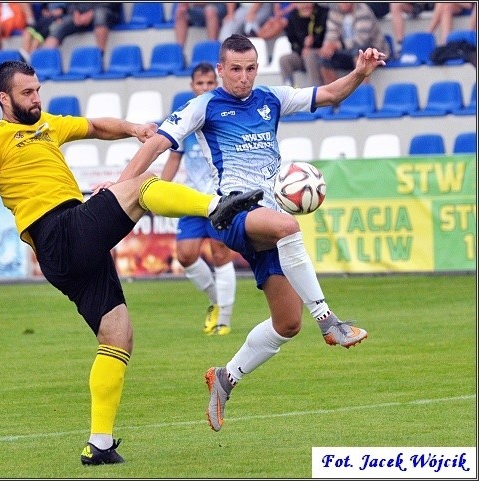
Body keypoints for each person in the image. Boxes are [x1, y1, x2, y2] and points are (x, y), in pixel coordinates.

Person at [0, 60, 262, 464]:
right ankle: (216, 207)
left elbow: (95, 126)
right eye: (27, 93)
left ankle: (99, 444)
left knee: (118, 334)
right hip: (57, 232)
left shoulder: (47, 125)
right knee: (139, 188)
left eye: (37, 90)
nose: (36, 98)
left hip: (72, 249)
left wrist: (134, 129)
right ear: (4, 98)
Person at [111, 34, 384, 432]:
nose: (243, 77)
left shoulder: (271, 98)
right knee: (289, 226)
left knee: (288, 323)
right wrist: (122, 184)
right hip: (234, 212)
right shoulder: (205, 105)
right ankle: (329, 321)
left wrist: (359, 73)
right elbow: (156, 144)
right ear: (221, 70)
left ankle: (226, 377)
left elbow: (326, 94)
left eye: (250, 68)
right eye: (235, 70)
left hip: (266, 220)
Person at [160, 62, 237, 336]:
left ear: (215, 85)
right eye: (199, 84)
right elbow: (173, 158)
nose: (204, 88)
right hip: (192, 198)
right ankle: (216, 303)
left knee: (220, 253)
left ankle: (225, 319)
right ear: (192, 87)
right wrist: (159, 189)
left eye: (209, 83)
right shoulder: (185, 117)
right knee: (186, 255)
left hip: (220, 197)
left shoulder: (224, 116)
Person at [317, 3, 389, 85]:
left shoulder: (363, 10)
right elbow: (331, 34)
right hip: (347, 50)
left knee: (360, 53)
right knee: (324, 58)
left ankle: (363, 91)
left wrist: (338, 45)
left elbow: (362, 39)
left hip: (374, 49)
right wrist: (328, 46)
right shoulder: (334, 11)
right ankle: (334, 93)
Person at [279, 2, 329, 87]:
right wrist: (301, 50)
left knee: (310, 55)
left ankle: (315, 90)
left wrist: (314, 42)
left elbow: (326, 36)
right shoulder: (292, 16)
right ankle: (288, 90)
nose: (305, 4)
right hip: (302, 53)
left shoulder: (323, 13)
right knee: (284, 60)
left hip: (320, 52)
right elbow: (293, 41)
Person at [42, 3, 120, 54]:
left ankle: (99, 57)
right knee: (60, 25)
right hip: (80, 15)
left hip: (104, 10)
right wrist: (75, 13)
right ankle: (45, 59)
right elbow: (72, 4)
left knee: (100, 15)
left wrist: (91, 13)